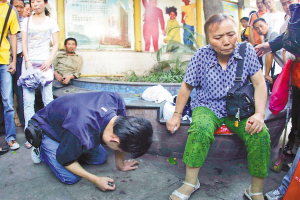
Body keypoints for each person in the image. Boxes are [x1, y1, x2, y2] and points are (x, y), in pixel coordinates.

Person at [166, 14, 270, 200]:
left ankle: (255, 189)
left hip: (237, 112)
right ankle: (190, 182)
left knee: (260, 134)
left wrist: (260, 114)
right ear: (208, 39)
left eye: (230, 34)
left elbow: (259, 84)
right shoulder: (201, 56)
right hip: (207, 106)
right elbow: (187, 86)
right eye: (218, 37)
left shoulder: (246, 53)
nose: (226, 42)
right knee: (200, 129)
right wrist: (176, 114)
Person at [26, 91, 153, 190]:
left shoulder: (116, 100)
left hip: (69, 125)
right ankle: (41, 149)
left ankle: (70, 148)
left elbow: (121, 137)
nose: (120, 152)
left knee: (101, 158)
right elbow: (65, 161)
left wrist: (121, 165)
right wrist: (95, 179)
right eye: (120, 149)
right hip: (47, 128)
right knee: (70, 177)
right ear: (114, 140)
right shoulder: (80, 129)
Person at [21, 0, 59, 129]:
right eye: (33, 2)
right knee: (28, 102)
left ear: (45, 3)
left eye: (38, 1)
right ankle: (30, 133)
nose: (35, 4)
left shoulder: (51, 22)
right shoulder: (26, 21)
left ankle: (50, 131)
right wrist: (27, 61)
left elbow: (56, 44)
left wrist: (49, 61)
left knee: (48, 100)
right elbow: (24, 43)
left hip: (45, 64)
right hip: (29, 64)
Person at [0, 0, 20, 150]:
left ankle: (11, 137)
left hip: (4, 60)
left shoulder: (11, 10)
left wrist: (13, 60)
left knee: (7, 101)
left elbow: (13, 36)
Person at [253, 18, 284, 85]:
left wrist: (266, 74)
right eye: (257, 28)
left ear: (266, 24)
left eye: (261, 26)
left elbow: (270, 54)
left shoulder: (273, 33)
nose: (260, 29)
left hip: (281, 68)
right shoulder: (265, 38)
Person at [11, 0, 25, 129]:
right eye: (16, 6)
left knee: (19, 89)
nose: (19, 9)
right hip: (6, 57)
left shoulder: (24, 21)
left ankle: (20, 116)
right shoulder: (7, 17)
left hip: (19, 58)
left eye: (21, 7)